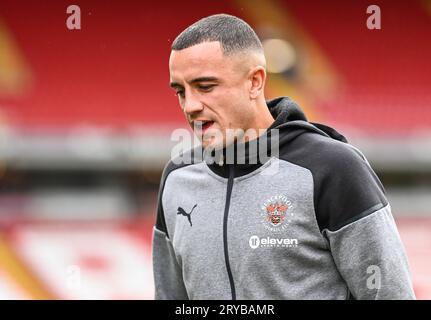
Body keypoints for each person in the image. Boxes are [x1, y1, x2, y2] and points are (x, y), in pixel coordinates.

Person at [152, 13, 415, 300]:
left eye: (205, 87)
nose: (190, 105)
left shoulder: (334, 169)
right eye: (180, 91)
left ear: (255, 82)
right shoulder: (178, 177)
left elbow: (389, 294)